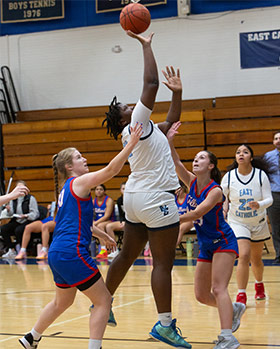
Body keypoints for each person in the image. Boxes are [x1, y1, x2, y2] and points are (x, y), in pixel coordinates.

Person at [102, 30, 191, 349]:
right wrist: (146, 45)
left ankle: (103, 303)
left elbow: (169, 124)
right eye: (126, 105)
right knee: (163, 264)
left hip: (136, 198)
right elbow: (151, 84)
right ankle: (165, 325)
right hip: (156, 199)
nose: (132, 104)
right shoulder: (136, 120)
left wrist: (177, 94)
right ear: (124, 115)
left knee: (127, 254)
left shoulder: (142, 130)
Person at [19, 124, 142, 349]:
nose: (84, 159)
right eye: (79, 157)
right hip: (71, 252)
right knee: (103, 301)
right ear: (69, 166)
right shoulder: (79, 182)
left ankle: (31, 337)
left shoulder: (67, 188)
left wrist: (101, 235)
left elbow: (77, 222)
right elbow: (111, 171)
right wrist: (131, 144)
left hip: (58, 253)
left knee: (62, 302)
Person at [167, 121, 245, 349]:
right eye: (196, 158)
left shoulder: (216, 191)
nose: (196, 160)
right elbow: (176, 162)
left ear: (211, 166)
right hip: (206, 244)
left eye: (201, 158)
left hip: (223, 242)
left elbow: (198, 212)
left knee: (218, 288)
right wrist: (170, 140)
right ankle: (233, 309)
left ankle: (228, 337)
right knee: (201, 295)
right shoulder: (191, 182)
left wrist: (171, 218)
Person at [221, 144, 273, 305]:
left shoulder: (260, 175)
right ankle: (241, 294)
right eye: (238, 152)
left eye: (245, 152)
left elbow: (269, 199)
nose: (241, 154)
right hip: (238, 222)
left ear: (251, 156)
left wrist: (259, 204)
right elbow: (222, 199)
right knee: (243, 255)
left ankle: (259, 284)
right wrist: (223, 210)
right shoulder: (229, 177)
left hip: (258, 222)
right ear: (236, 158)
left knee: (256, 260)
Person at [1, 180, 39, 259]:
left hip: (27, 220)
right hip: (17, 219)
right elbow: (11, 214)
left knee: (18, 230)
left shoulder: (30, 198)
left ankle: (22, 250)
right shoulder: (13, 199)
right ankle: (12, 249)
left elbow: (35, 214)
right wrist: (8, 210)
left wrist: (25, 215)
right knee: (4, 229)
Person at [263, 131, 280, 264]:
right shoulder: (268, 156)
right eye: (276, 138)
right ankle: (279, 255)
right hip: (275, 194)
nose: (278, 140)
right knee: (275, 227)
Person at [92, 184, 115, 259]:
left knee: (99, 226)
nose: (98, 191)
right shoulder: (93, 201)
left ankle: (103, 249)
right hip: (98, 222)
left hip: (109, 221)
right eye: (97, 189)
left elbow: (106, 216)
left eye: (101, 189)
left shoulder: (109, 200)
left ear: (104, 191)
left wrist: (95, 223)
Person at [105, 182, 126, 259]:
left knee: (128, 229)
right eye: (123, 189)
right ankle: (115, 250)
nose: (125, 190)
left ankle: (126, 252)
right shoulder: (120, 200)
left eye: (126, 189)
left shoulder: (132, 200)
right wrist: (121, 222)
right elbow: (121, 214)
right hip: (124, 221)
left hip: (132, 221)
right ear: (120, 190)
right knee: (109, 226)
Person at [175, 182, 194, 248]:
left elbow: (191, 214)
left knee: (180, 228)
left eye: (178, 189)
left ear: (182, 188)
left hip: (189, 221)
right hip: (178, 221)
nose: (176, 191)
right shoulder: (174, 199)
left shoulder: (189, 198)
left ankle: (171, 250)